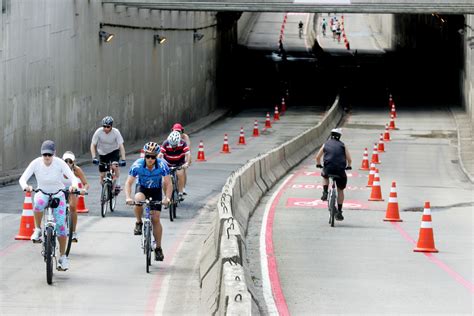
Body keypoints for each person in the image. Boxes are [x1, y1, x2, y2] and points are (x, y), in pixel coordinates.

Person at [19, 140, 79, 271]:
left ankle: (63, 257)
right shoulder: (36, 163)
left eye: (49, 155)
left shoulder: (60, 163)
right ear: (41, 154)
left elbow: (72, 178)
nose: (47, 157)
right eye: (45, 155)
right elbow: (22, 178)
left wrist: (73, 186)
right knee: (38, 203)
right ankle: (38, 230)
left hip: (58, 195)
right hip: (42, 193)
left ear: (54, 154)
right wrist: (26, 187)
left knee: (61, 226)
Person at [125, 142, 172, 261]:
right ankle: (139, 222)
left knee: (155, 219)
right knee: (138, 200)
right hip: (142, 188)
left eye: (153, 157)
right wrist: (128, 197)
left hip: (156, 190)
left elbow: (168, 183)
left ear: (156, 157)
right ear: (144, 155)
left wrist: (167, 198)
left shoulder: (162, 165)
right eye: (148, 156)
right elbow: (128, 183)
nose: (150, 159)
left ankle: (158, 248)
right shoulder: (137, 165)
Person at [315, 128, 352, 221]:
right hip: (340, 170)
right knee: (340, 189)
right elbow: (349, 159)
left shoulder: (326, 144)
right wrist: (349, 166)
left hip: (328, 168)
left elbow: (317, 157)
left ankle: (325, 192)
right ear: (339, 136)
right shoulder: (343, 145)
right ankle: (339, 211)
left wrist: (319, 164)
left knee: (325, 175)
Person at [90, 116, 126, 190]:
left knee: (114, 166)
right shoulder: (98, 132)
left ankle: (118, 183)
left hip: (114, 151)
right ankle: (105, 191)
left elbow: (121, 146)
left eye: (108, 127)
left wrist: (123, 159)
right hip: (102, 153)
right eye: (104, 126)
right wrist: (94, 157)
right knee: (102, 174)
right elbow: (93, 145)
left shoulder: (116, 132)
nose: (106, 128)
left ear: (111, 126)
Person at [62, 151, 89, 243]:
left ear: (73, 162)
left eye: (70, 161)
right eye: (66, 161)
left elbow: (85, 183)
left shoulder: (76, 170)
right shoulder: (58, 168)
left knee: (73, 207)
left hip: (73, 190)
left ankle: (73, 232)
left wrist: (83, 190)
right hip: (60, 190)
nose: (68, 163)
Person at [158, 131, 190, 201]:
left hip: (179, 162)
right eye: (172, 145)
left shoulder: (183, 143)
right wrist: (157, 163)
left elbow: (187, 154)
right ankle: (165, 196)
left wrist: (186, 163)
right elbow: (160, 155)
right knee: (164, 181)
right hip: (168, 163)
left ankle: (180, 192)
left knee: (180, 173)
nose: (173, 147)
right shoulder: (165, 143)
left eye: (175, 145)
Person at [171, 123, 191, 195]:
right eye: (175, 131)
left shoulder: (185, 137)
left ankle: (183, 188)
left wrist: (186, 162)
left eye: (179, 131)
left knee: (183, 170)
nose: (177, 133)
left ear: (182, 131)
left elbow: (188, 150)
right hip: (174, 155)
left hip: (183, 154)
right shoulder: (170, 137)